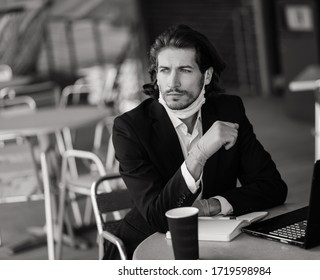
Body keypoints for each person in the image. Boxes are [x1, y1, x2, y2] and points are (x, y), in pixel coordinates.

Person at [105, 24, 287, 259]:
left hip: (220, 245)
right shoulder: (130, 129)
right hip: (145, 248)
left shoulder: (229, 110)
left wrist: (213, 205)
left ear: (207, 75)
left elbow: (273, 187)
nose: (173, 83)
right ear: (156, 75)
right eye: (164, 70)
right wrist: (199, 153)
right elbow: (160, 218)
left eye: (185, 70)